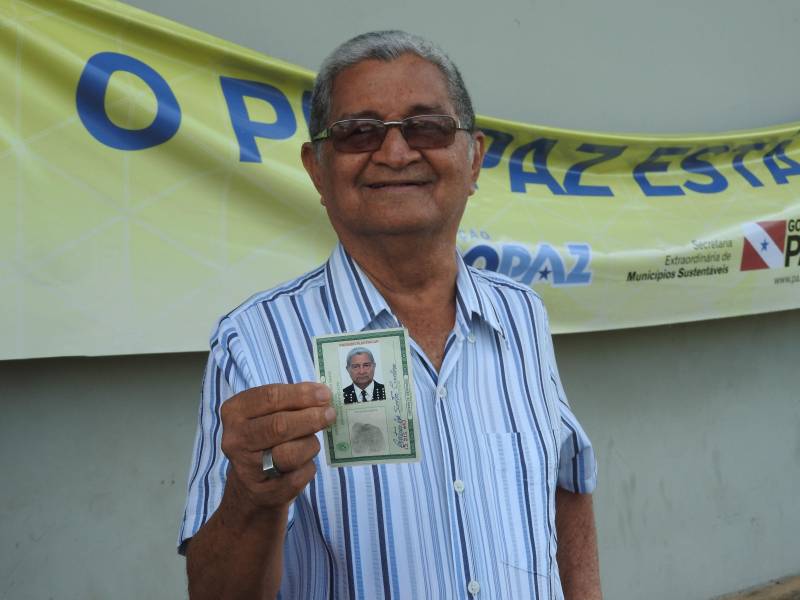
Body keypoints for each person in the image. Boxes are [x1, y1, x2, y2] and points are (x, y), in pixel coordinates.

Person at [179, 30, 601, 600]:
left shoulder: (520, 313)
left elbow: (565, 485)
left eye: (426, 126)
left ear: (473, 158)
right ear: (316, 169)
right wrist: (252, 499)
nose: (396, 153)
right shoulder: (252, 342)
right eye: (359, 132)